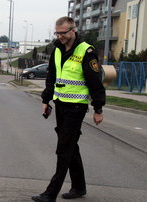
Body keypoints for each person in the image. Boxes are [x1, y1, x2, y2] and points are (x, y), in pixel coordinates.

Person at [32, 16, 105, 202]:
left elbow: (95, 82)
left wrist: (98, 108)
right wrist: (46, 100)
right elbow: (52, 77)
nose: (60, 36)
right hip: (60, 104)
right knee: (71, 147)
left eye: (63, 33)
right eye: (57, 32)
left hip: (76, 107)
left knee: (64, 149)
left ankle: (50, 194)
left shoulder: (86, 51)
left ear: (73, 30)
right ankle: (79, 187)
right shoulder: (57, 49)